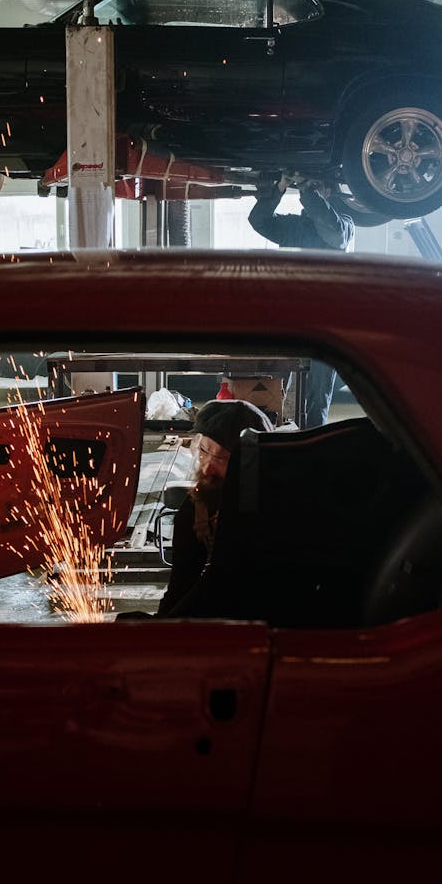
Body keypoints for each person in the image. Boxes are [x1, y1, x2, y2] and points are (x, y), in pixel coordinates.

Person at [249, 171, 354, 428]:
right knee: (284, 392)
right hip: (294, 322)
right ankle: (286, 441)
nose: (313, 192)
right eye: (310, 189)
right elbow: (259, 220)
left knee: (317, 396)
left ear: (330, 192)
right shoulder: (294, 227)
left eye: (319, 188)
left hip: (327, 328)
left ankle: (314, 445)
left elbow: (333, 232)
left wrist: (308, 191)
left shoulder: (344, 225)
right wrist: (281, 187)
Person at [157, 399, 272, 616]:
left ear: (251, 462)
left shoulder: (277, 505)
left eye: (221, 458)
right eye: (203, 451)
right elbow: (181, 586)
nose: (208, 466)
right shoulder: (195, 511)